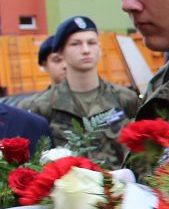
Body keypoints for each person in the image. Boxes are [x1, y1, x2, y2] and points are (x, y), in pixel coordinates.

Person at [21, 16, 139, 167]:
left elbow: (140, 153)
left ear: (99, 48)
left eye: (91, 43)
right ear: (60, 52)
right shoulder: (41, 106)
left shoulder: (125, 98)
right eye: (75, 44)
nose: (86, 50)